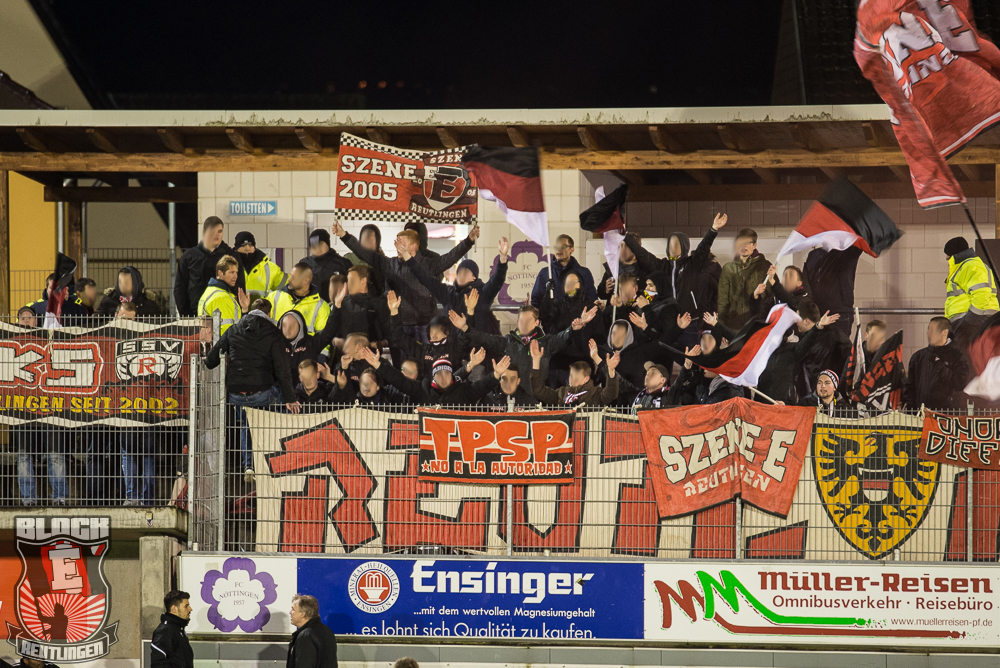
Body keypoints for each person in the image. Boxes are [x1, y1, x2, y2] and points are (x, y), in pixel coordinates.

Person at [204, 299, 301, 481]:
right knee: (281, 406)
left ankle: (248, 466)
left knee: (246, 423)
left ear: (250, 311)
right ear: (269, 314)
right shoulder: (273, 333)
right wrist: (290, 398)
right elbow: (282, 370)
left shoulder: (233, 329)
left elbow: (210, 361)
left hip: (236, 394)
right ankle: (277, 457)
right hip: (262, 393)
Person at [334, 221, 478, 343]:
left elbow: (451, 257)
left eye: (402, 244)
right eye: (397, 243)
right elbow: (366, 254)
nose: (398, 247)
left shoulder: (429, 264)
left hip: (426, 326)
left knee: (425, 364)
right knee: (401, 365)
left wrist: (469, 240)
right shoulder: (390, 264)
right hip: (400, 326)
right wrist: (343, 235)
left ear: (414, 246)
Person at [448, 303, 596, 399]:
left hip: (537, 402)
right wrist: (465, 328)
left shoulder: (546, 343)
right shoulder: (508, 341)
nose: (523, 324)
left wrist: (575, 327)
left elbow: (563, 337)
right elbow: (485, 338)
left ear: (537, 322)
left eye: (528, 321)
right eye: (521, 321)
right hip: (511, 401)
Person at [624, 213, 727, 335]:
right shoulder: (662, 265)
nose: (673, 247)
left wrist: (713, 229)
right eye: (671, 244)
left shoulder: (692, 264)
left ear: (684, 246)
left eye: (677, 244)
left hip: (689, 320)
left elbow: (703, 248)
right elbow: (643, 255)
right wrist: (625, 235)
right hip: (668, 320)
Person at [404, 237, 509, 336]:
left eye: (466, 272)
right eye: (459, 272)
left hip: (476, 345)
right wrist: (408, 259)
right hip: (454, 346)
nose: (461, 275)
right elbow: (426, 279)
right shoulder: (448, 293)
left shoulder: (482, 292)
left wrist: (503, 258)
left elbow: (497, 280)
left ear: (474, 277)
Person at [361, 347, 509, 406]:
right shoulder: (423, 389)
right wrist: (378, 365)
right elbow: (399, 380)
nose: (443, 377)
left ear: (452, 375)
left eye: (447, 373)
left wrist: (496, 374)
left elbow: (481, 387)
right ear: (433, 377)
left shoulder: (462, 390)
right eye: (439, 374)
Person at [386, 292, 469, 379]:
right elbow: (400, 338)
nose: (433, 334)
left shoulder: (454, 349)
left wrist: (470, 312)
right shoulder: (423, 350)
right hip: (429, 387)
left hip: (452, 386)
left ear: (447, 333)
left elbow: (467, 336)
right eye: (431, 331)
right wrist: (394, 312)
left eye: (437, 330)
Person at [175, 216, 243, 317]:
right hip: (195, 316)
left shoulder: (232, 256)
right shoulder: (189, 256)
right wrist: (185, 316)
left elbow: (239, 287)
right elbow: (180, 288)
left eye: (219, 231)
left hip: (225, 315)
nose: (216, 235)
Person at [903, 316, 971, 410]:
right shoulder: (918, 357)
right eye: (928, 329)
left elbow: (961, 383)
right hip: (922, 415)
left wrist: (941, 367)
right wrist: (912, 411)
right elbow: (910, 388)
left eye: (932, 330)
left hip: (946, 415)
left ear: (944, 332)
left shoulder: (958, 357)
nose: (928, 333)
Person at [943, 236, 1000, 349]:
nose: (946, 258)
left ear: (953, 254)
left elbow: (982, 293)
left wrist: (971, 319)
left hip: (974, 321)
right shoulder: (967, 266)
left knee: (968, 358)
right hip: (974, 320)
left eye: (948, 255)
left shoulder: (970, 266)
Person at [529, 340, 619, 407]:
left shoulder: (595, 394)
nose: (571, 380)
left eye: (575, 376)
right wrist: (536, 361)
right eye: (570, 376)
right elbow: (539, 391)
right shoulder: (561, 393)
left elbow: (611, 393)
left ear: (586, 379)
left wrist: (611, 370)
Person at [718, 227, 770, 330]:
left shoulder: (764, 266)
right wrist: (721, 328)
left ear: (754, 245)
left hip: (757, 326)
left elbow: (771, 297)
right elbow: (722, 302)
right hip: (734, 326)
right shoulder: (728, 268)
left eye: (747, 243)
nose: (744, 246)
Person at [530, 234, 597, 307]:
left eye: (564, 246)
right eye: (556, 247)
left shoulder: (583, 273)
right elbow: (536, 300)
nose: (559, 249)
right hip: (551, 314)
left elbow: (591, 298)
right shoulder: (545, 273)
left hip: (577, 314)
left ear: (572, 249)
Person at [329, 266, 390, 343]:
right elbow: (331, 331)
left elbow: (389, 334)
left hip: (369, 350)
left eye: (352, 280)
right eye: (348, 280)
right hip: (345, 350)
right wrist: (336, 341)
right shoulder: (343, 302)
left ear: (363, 281)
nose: (348, 284)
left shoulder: (379, 304)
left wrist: (379, 344)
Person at [269, 262, 330, 336]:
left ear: (306, 281)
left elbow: (323, 340)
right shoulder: (274, 297)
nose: (289, 279)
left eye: (293, 277)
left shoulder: (321, 307)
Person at [198, 256, 249, 335]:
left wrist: (244, 309)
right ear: (220, 273)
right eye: (231, 272)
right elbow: (227, 330)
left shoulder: (210, 291)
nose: (236, 276)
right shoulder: (221, 297)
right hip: (225, 342)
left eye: (236, 272)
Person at [300, 228, 350, 304]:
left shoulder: (343, 263)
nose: (317, 248)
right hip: (310, 307)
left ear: (327, 244)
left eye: (320, 244)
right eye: (313, 245)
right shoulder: (304, 264)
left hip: (336, 307)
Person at [287, 594, 338, 668]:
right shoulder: (327, 631)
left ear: (302, 614)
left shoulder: (306, 635)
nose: (290, 612)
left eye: (293, 609)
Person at [97, 266, 162, 318]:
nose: (122, 285)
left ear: (136, 283)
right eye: (120, 282)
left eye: (126, 282)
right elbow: (95, 321)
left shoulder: (148, 305)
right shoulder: (108, 300)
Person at [151, 589, 194, 668]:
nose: (190, 609)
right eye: (186, 606)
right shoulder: (165, 630)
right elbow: (158, 663)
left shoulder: (179, 630)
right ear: (174, 608)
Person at [235, 231, 285, 297]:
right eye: (243, 245)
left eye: (250, 245)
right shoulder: (227, 265)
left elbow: (285, 287)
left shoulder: (269, 267)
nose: (247, 248)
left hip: (262, 303)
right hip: (232, 304)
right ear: (236, 248)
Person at [597, 233, 645, 301]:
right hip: (614, 306)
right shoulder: (612, 267)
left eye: (623, 246)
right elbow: (601, 294)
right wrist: (606, 289)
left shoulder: (643, 269)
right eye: (620, 246)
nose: (620, 250)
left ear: (634, 249)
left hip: (635, 306)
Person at [343, 223, 385, 293]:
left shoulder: (383, 263)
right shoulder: (348, 259)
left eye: (371, 240)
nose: (367, 243)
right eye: (365, 239)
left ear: (377, 242)